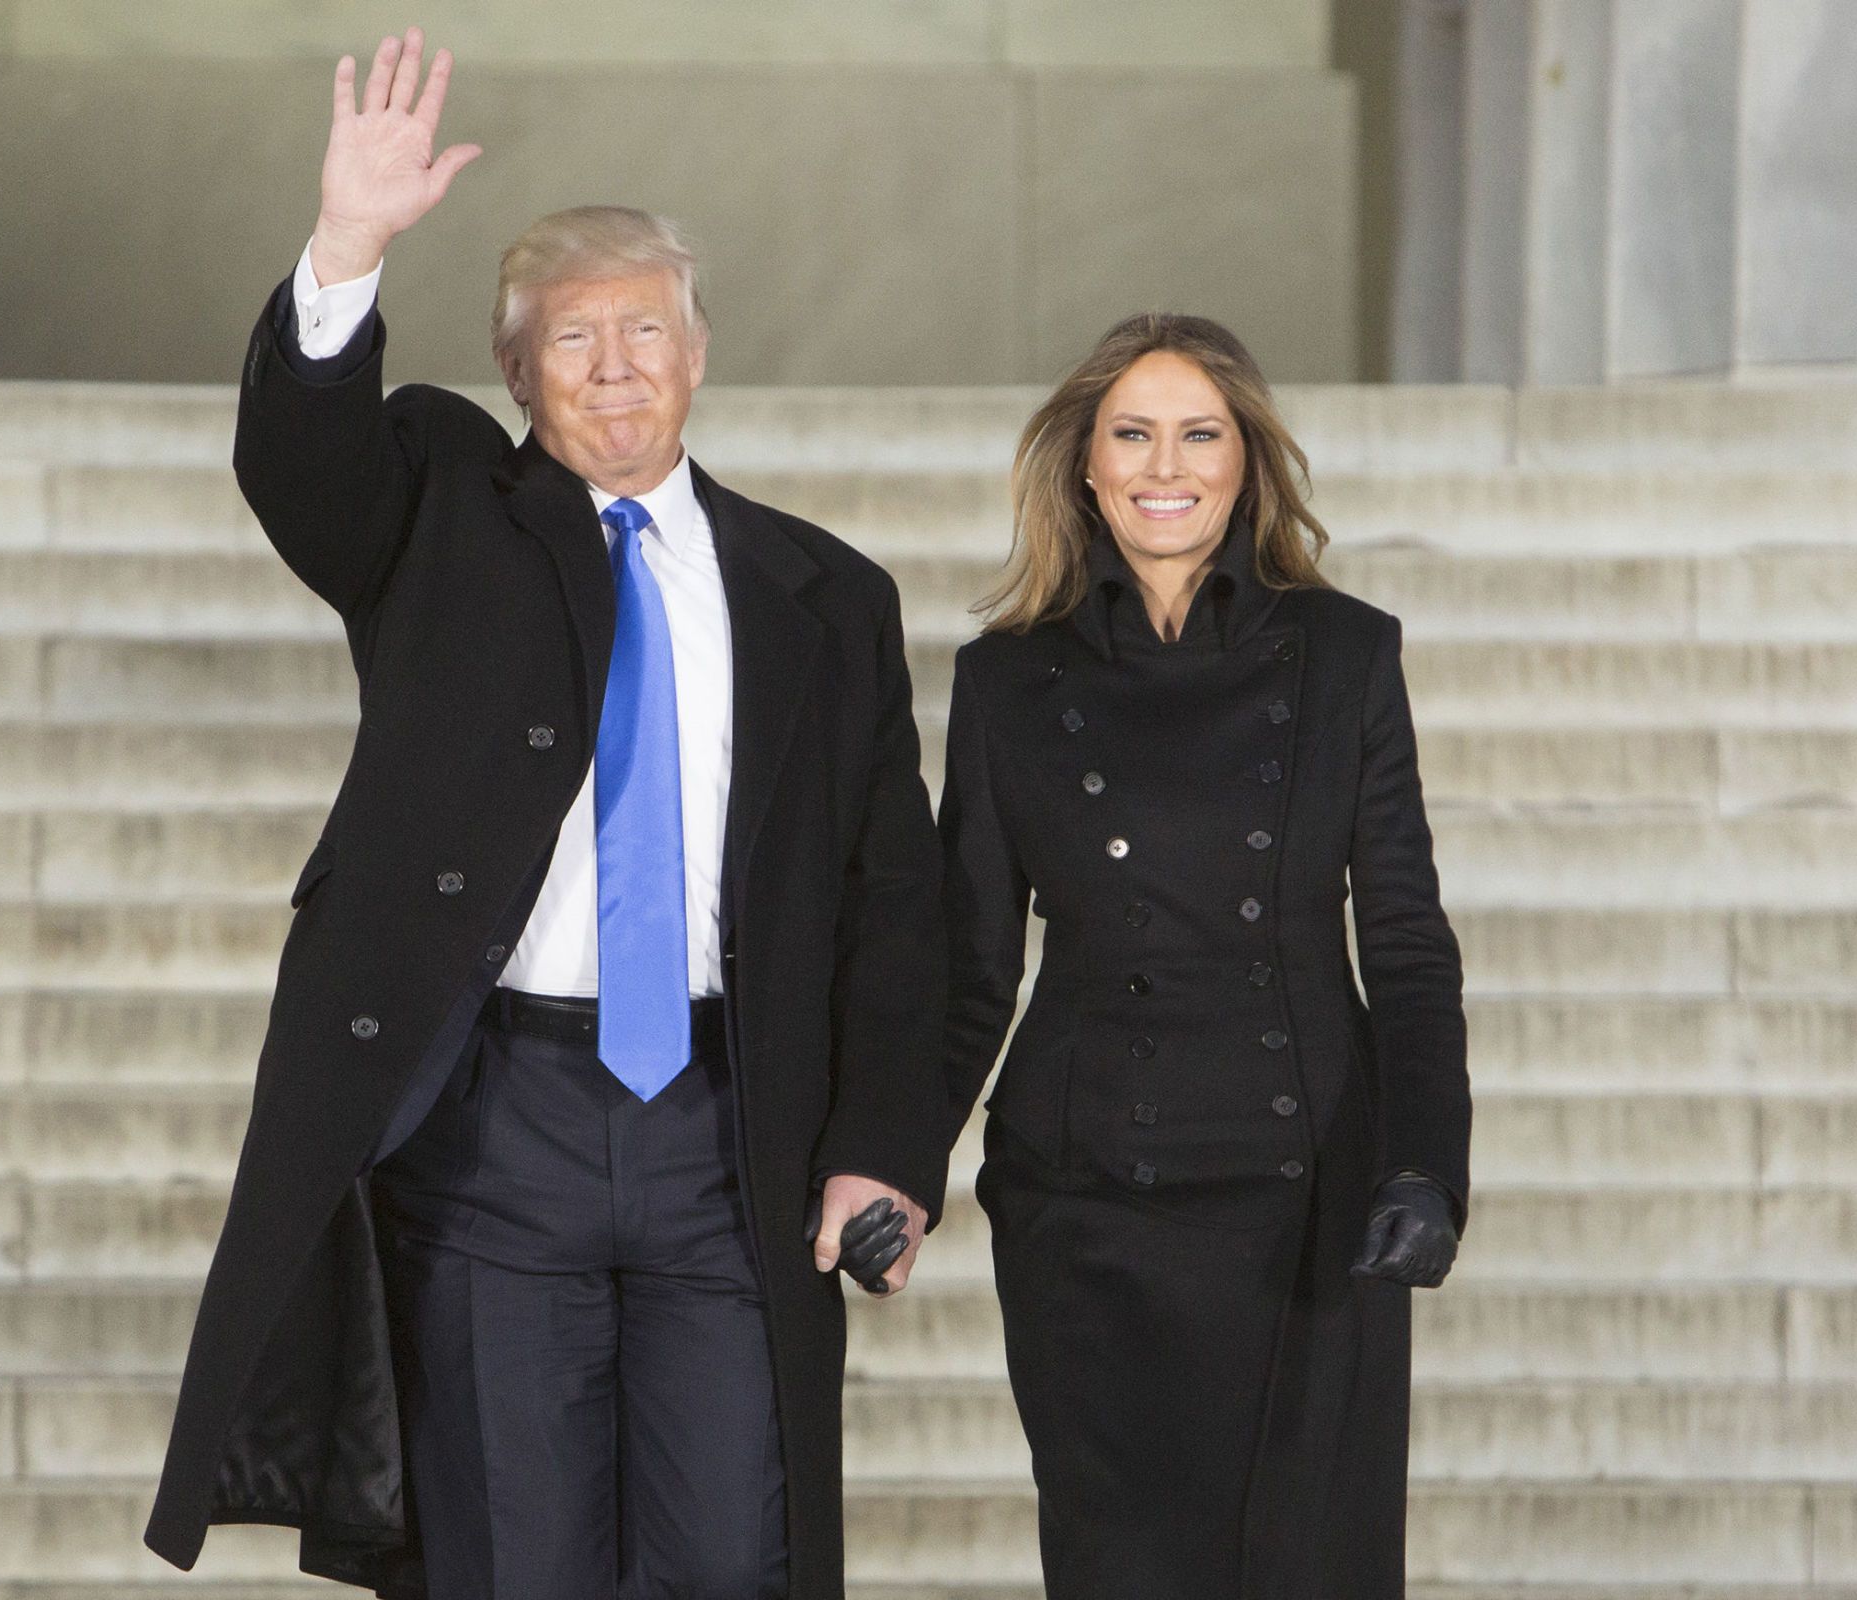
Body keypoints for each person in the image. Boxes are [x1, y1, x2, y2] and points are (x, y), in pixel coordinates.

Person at [140, 31, 948, 1600]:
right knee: (513, 1559)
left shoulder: (823, 597)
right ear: (519, 376)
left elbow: (891, 899)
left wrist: (881, 1145)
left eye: (646, 332)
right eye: (573, 342)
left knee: (735, 1555)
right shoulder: (443, 512)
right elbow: (300, 463)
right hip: (498, 1127)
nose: (616, 366)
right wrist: (348, 247)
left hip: (733, 1128)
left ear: (700, 355)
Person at [935, 313, 1472, 1599]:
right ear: (1083, 462)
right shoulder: (1006, 679)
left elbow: (1402, 940)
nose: (1161, 465)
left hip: (1304, 1200)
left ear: (1245, 464)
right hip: (1082, 1203)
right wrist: (888, 1160)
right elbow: (964, 966)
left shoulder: (1344, 654)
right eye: (1130, 433)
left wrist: (1425, 1162)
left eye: (1196, 434)